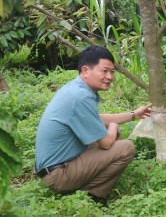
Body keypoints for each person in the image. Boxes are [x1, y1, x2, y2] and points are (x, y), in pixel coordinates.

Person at [34, 46, 152, 206]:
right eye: (104, 71)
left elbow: (94, 119)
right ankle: (94, 195)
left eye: (112, 72)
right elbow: (106, 143)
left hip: (50, 168)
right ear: (85, 70)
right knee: (126, 148)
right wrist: (114, 126)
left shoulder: (75, 89)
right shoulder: (81, 97)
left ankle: (87, 188)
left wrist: (134, 114)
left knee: (104, 130)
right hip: (58, 175)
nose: (109, 77)